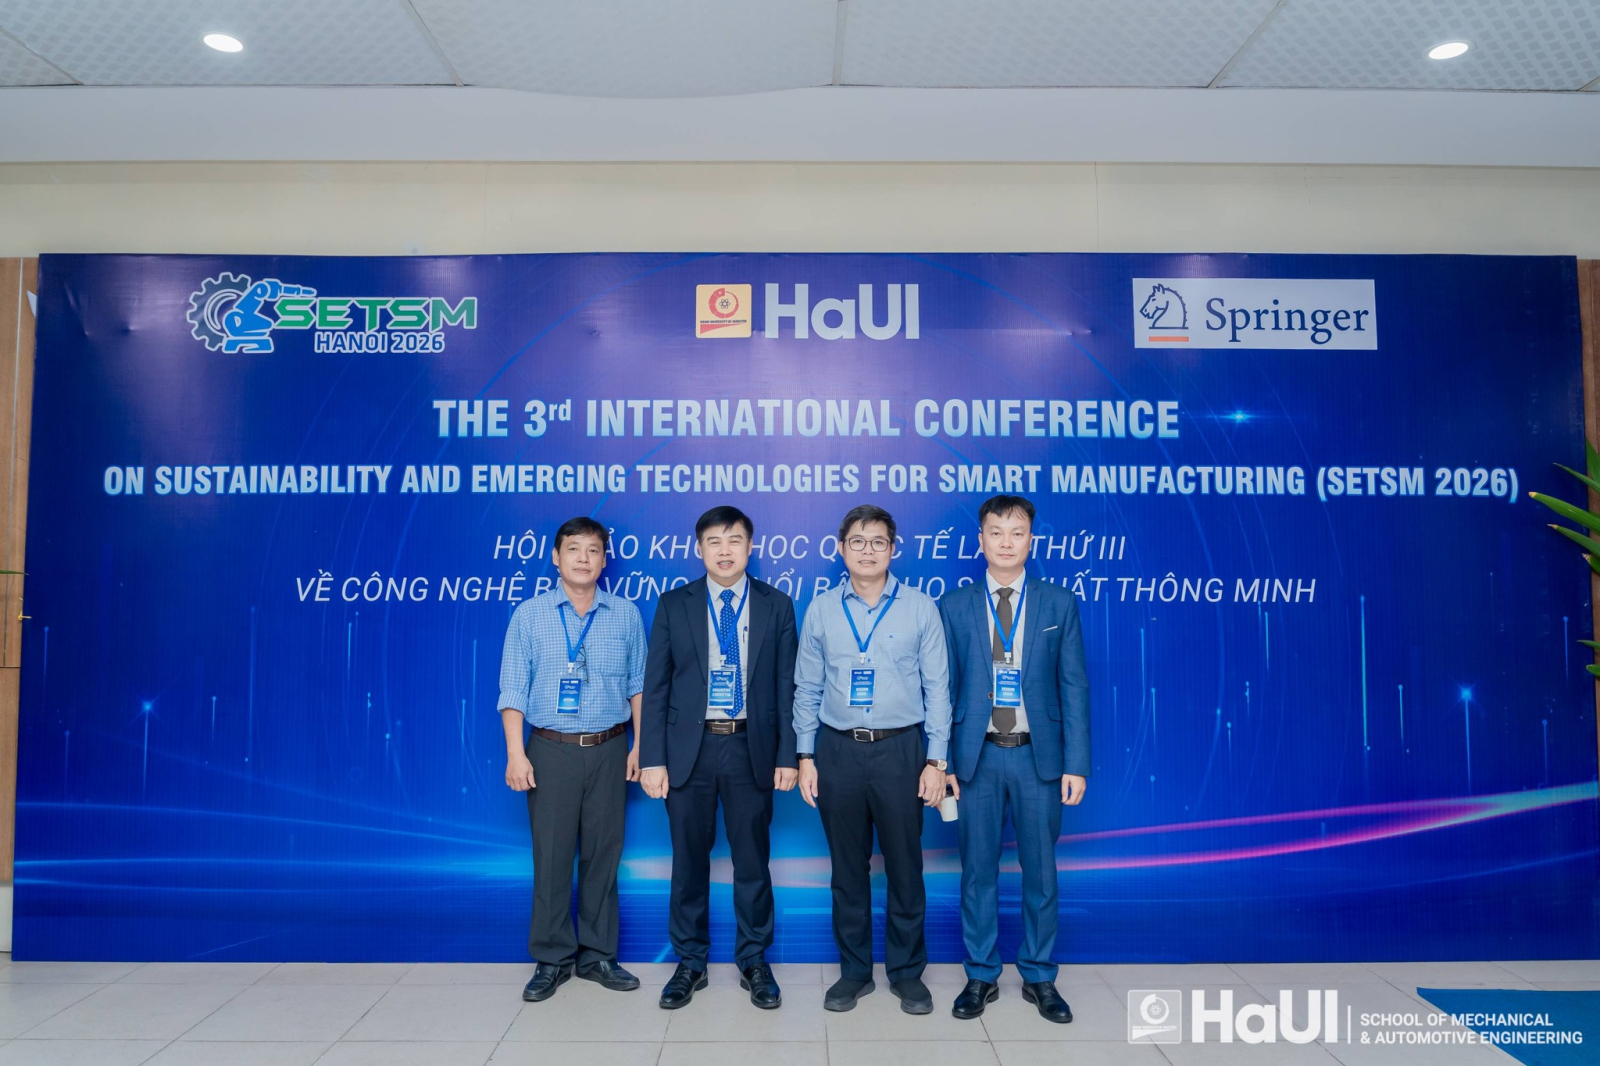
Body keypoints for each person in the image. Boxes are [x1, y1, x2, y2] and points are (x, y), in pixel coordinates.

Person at [639, 505, 799, 1010]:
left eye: (734, 541)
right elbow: (656, 687)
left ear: (750, 547)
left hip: (751, 746)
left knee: (753, 860)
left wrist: (789, 755)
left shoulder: (777, 605)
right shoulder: (674, 604)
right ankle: (690, 961)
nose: (724, 550)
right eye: (714, 541)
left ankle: (754, 960)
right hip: (690, 750)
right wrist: (652, 758)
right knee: (688, 861)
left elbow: (787, 687)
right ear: (699, 549)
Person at [794, 504, 952, 1015]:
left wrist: (936, 761)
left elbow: (938, 690)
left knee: (906, 866)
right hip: (837, 749)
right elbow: (806, 687)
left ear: (893, 549)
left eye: (878, 541)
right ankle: (855, 972)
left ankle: (907, 973)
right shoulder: (821, 609)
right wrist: (805, 754)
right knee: (847, 869)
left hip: (901, 750)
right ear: (841, 549)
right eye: (858, 542)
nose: (868, 551)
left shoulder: (920, 608)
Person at [938, 494, 1090, 1023]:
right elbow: (942, 689)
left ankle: (1040, 975)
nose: (1006, 542)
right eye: (996, 532)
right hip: (975, 757)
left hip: (1038, 759)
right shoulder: (953, 605)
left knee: (1041, 873)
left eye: (1017, 532)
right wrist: (941, 761)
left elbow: (1074, 686)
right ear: (980, 540)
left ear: (1032, 541)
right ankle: (981, 974)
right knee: (976, 872)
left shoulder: (1058, 603)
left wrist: (1076, 763)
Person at [498, 516, 647, 1002]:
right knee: (552, 856)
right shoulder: (529, 615)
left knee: (604, 855)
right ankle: (552, 958)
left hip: (609, 748)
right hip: (550, 750)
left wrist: (640, 746)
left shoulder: (625, 614)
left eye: (593, 550)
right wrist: (516, 754)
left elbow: (638, 685)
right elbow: (512, 689)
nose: (584, 558)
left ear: (604, 559)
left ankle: (599, 955)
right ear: (556, 557)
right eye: (574, 549)